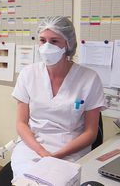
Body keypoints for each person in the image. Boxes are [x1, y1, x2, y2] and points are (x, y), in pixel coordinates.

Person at [10, 16, 106, 181]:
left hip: (71, 150)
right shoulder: (28, 74)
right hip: (32, 147)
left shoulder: (89, 78)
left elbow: (91, 132)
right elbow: (21, 123)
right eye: (42, 40)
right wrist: (42, 152)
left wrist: (56, 155)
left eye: (54, 41)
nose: (47, 46)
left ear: (68, 44)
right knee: (27, 181)